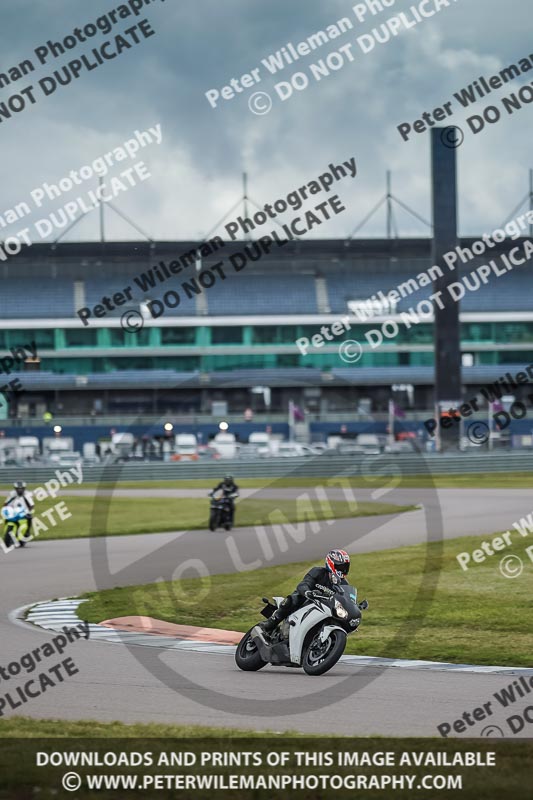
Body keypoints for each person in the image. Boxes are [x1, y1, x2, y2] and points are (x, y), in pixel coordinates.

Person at [261, 549, 351, 634]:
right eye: (340, 567)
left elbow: (346, 599)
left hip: (325, 608)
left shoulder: (344, 584)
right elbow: (303, 584)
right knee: (292, 600)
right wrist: (307, 592)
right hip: (306, 600)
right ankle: (270, 624)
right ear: (331, 563)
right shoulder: (318, 572)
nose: (343, 569)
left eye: (345, 567)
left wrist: (354, 606)